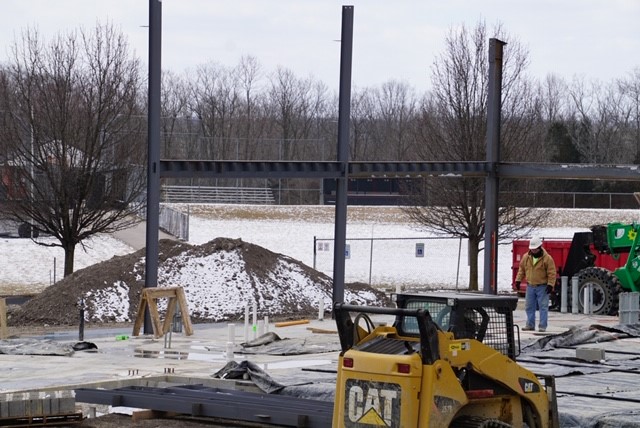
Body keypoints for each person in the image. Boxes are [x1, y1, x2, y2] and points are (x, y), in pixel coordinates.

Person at [515, 237, 557, 332]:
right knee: (529, 306)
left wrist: (550, 285)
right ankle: (530, 325)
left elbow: (552, 273)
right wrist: (518, 280)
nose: (533, 250)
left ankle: (542, 326)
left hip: (542, 287)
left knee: (543, 307)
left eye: (535, 249)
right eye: (532, 249)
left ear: (539, 247)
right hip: (530, 286)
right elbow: (522, 270)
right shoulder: (526, 257)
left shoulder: (547, 259)